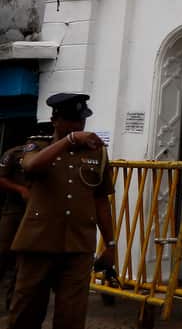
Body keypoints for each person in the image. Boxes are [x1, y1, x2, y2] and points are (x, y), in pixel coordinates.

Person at [8, 93, 115, 329]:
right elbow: (32, 166)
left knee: (72, 317)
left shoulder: (97, 153)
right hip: (38, 244)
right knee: (26, 313)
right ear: (55, 119)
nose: (78, 126)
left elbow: (101, 202)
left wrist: (111, 244)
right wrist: (70, 140)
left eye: (81, 121)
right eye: (71, 121)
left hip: (78, 247)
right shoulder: (36, 146)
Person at [0, 123, 51, 309]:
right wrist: (20, 189)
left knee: (24, 260)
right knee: (3, 253)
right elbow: (1, 178)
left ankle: (12, 300)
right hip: (14, 211)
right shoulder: (14, 153)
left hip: (37, 215)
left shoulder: (54, 155)